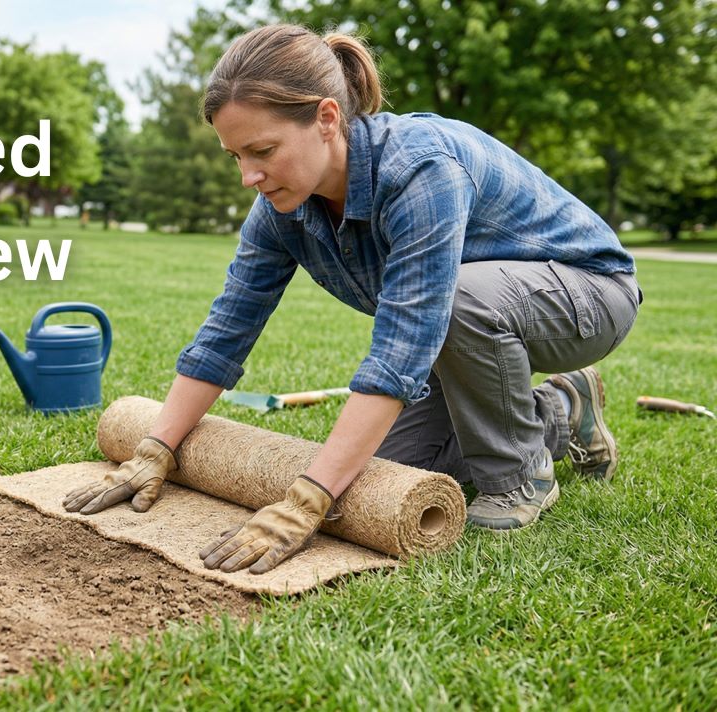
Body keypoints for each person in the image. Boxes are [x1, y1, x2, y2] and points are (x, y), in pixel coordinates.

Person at [63, 24, 641, 575]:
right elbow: (227, 330)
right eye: (235, 156)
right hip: (466, 326)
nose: (248, 175)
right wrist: (154, 448)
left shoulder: (419, 169)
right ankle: (561, 411)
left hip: (584, 294)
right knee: (392, 471)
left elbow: (404, 345)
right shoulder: (281, 210)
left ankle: (519, 477)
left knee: (461, 302)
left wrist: (307, 500)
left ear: (327, 118)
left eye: (262, 150)